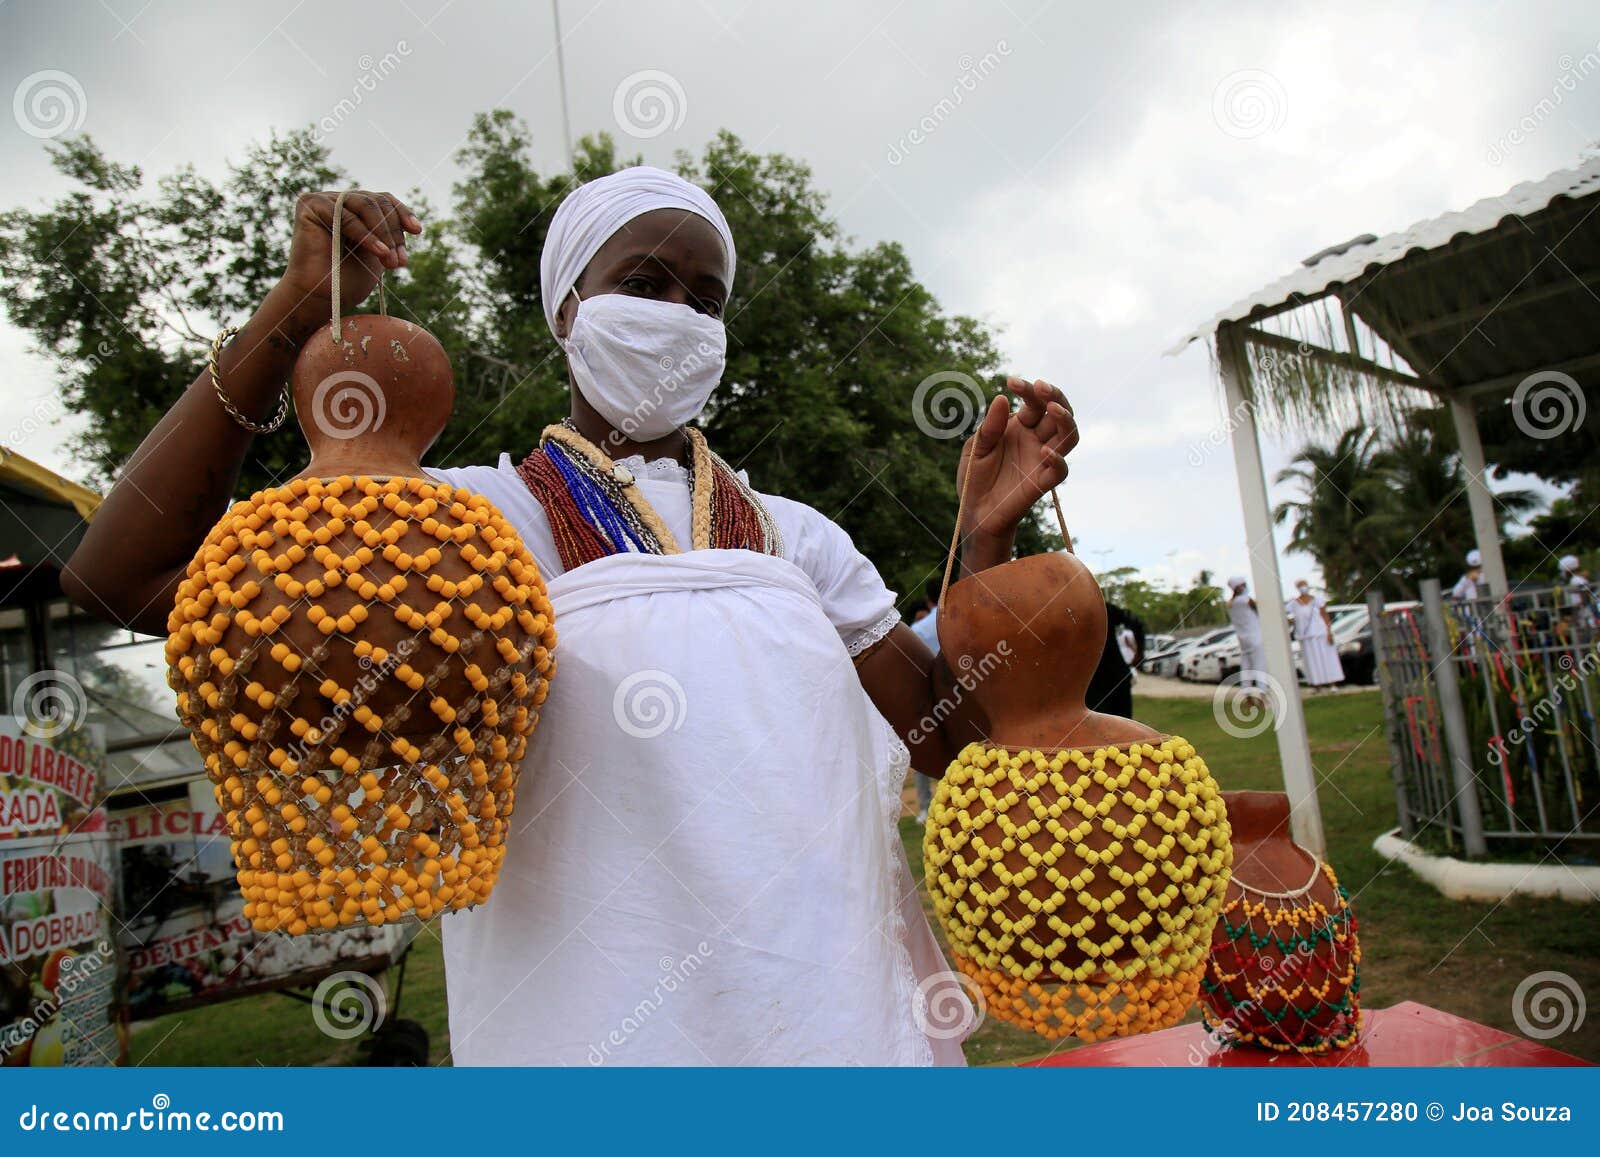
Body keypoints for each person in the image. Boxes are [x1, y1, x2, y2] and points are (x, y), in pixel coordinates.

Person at [59, 171, 1081, 1066]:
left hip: (830, 1015)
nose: (678, 313)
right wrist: (295, 308)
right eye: (643, 285)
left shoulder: (795, 536)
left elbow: (952, 738)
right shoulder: (456, 531)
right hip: (593, 1030)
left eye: (706, 298)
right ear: (565, 309)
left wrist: (986, 541)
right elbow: (121, 572)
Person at [908, 580, 941, 823]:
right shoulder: (968, 616)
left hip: (931, 700)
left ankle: (926, 807)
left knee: (922, 754)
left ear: (929, 599)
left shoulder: (920, 630)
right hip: (969, 695)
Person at [1086, 601, 1144, 719]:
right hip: (1116, 677)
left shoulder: (1064, 610)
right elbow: (1136, 622)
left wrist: (1139, 654)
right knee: (1124, 727)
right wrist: (1139, 653)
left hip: (1092, 682)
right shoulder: (1103, 607)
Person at [1288, 579, 1343, 689]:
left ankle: (1332, 683)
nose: (1303, 587)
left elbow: (1325, 615)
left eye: (1304, 585)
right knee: (1311, 662)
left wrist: (1329, 632)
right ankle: (1316, 684)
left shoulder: (1317, 600)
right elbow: (1291, 618)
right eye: (1300, 585)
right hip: (1306, 637)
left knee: (1327, 659)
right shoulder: (1294, 604)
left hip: (1320, 634)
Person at [1226, 576, 1266, 697]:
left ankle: (1247, 694)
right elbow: (1260, 610)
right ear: (1241, 586)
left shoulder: (1231, 604)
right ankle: (1262, 694)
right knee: (1260, 666)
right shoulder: (1246, 601)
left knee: (1246, 668)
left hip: (1243, 640)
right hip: (1255, 638)